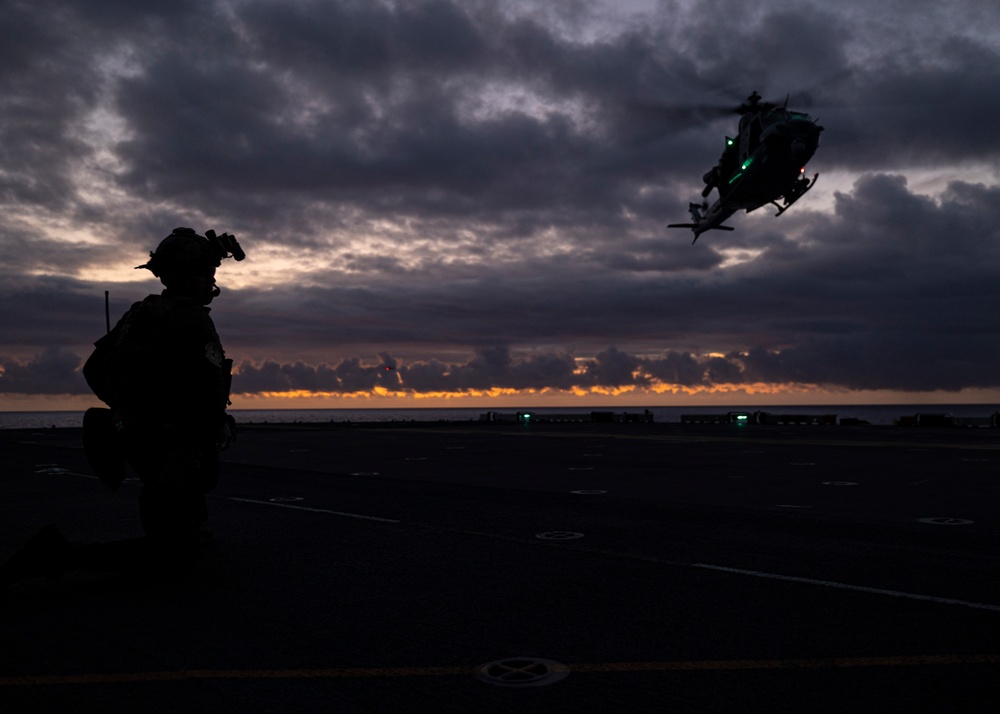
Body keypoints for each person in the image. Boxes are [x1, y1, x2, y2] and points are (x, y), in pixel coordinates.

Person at [1, 228, 243, 588]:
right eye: (206, 273)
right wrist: (210, 426)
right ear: (185, 275)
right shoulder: (191, 319)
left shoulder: (141, 313)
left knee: (177, 493)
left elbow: (93, 369)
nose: (211, 281)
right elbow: (206, 395)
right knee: (176, 554)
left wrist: (130, 410)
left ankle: (190, 524)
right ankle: (61, 555)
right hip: (172, 437)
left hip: (136, 430)